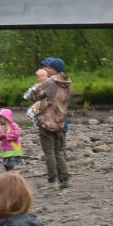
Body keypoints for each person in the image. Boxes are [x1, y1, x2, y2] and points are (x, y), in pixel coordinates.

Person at [25, 58, 73, 187]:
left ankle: (52, 181)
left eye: (49, 68)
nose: (46, 69)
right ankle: (65, 179)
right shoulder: (68, 82)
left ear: (54, 69)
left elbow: (32, 96)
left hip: (47, 120)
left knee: (49, 152)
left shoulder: (50, 82)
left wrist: (38, 86)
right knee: (57, 150)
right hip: (60, 120)